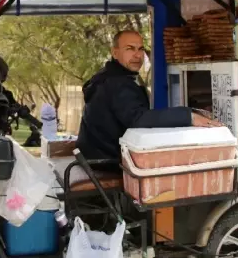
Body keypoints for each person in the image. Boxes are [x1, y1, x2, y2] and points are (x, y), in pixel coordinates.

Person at [76, 30, 219, 162]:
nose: (138, 55)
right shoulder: (116, 82)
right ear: (115, 52)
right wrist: (189, 117)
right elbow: (138, 118)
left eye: (140, 49)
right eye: (130, 49)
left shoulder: (109, 75)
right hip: (106, 161)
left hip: (95, 155)